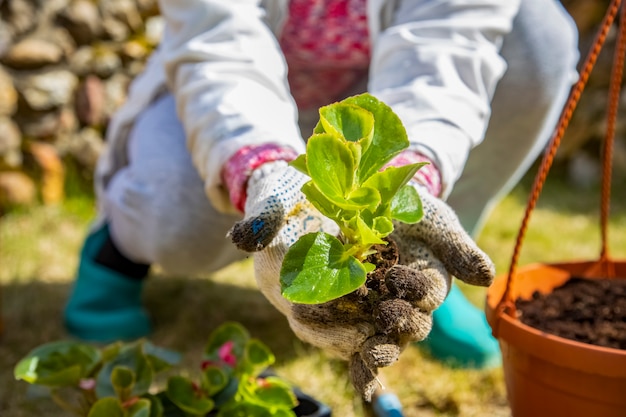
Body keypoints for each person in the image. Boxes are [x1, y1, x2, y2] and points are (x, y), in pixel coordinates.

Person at [64, 0, 579, 389]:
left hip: (377, 115)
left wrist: (409, 175)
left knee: (541, 34)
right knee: (175, 218)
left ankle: (418, 267)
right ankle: (118, 250)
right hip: (234, 97)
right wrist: (261, 166)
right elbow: (217, 36)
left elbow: (449, 46)